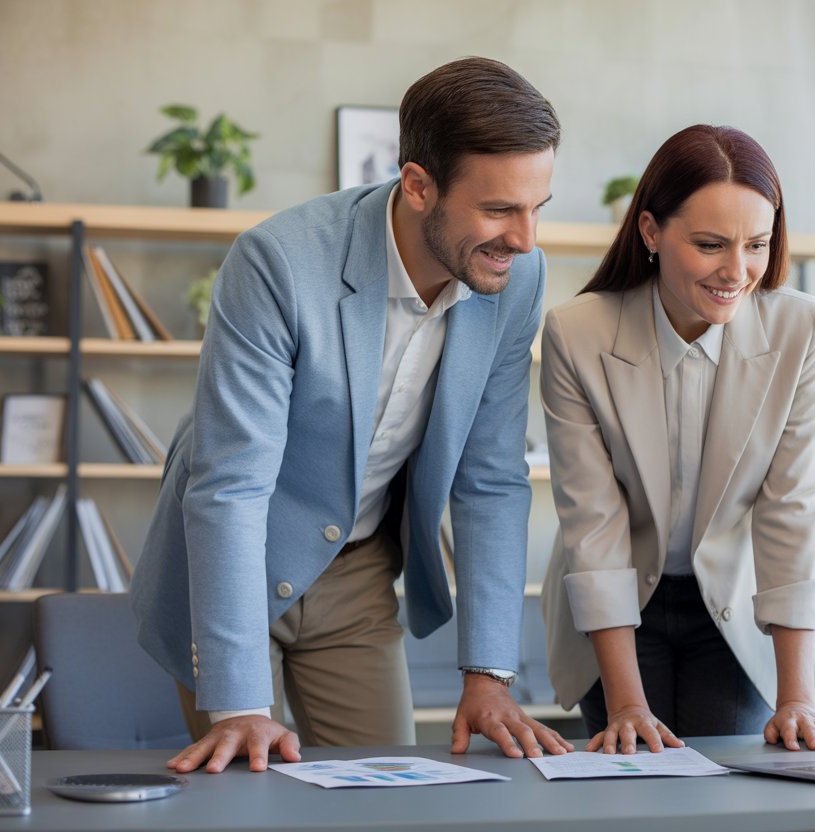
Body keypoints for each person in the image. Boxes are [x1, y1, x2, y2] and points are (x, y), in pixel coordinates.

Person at [130, 56, 574, 774]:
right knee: (248, 793)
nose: (524, 239)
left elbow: (491, 477)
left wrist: (488, 676)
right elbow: (231, 486)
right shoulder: (277, 263)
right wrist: (240, 703)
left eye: (537, 208)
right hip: (237, 558)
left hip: (358, 567)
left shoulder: (518, 276)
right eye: (498, 209)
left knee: (391, 795)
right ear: (418, 185)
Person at [540, 125, 815, 755]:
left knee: (730, 793)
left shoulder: (800, 328)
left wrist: (797, 697)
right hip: (619, 603)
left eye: (757, 245)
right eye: (711, 244)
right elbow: (593, 525)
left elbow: (791, 510)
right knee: (631, 787)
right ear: (651, 232)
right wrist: (628, 703)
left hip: (733, 607)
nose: (736, 272)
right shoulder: (577, 333)